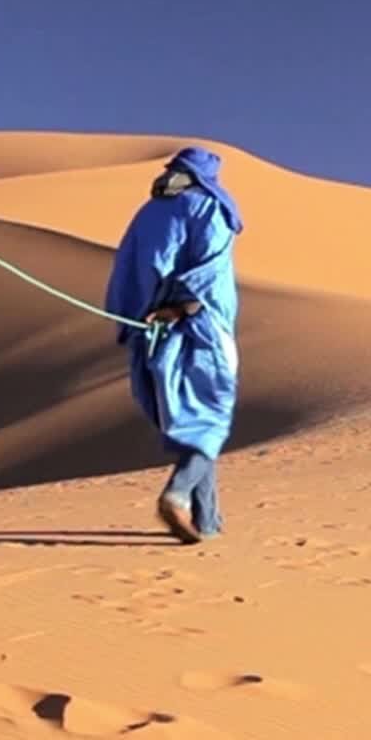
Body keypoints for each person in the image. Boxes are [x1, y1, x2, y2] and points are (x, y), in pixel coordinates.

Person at [105, 147, 243, 544]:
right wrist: (183, 307)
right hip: (196, 324)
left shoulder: (147, 213)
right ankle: (178, 493)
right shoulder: (207, 207)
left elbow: (128, 270)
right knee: (211, 418)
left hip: (150, 332)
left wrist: (139, 314)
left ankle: (209, 522)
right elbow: (209, 267)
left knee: (192, 422)